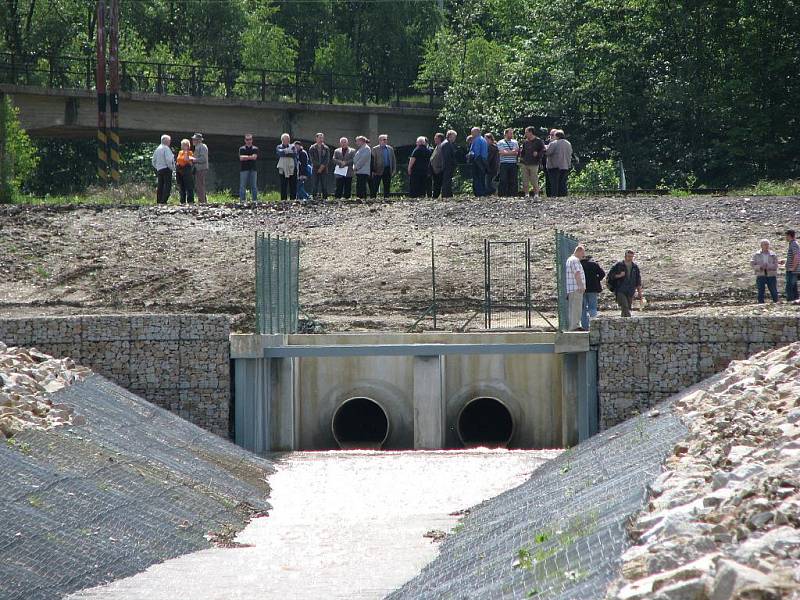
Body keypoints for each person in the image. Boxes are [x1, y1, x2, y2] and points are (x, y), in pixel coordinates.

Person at [606, 249, 643, 318]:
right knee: (625, 306)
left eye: (632, 256)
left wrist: (639, 292)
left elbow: (638, 281)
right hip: (620, 289)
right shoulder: (618, 265)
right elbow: (610, 276)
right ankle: (629, 321)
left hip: (630, 290)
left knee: (627, 308)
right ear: (625, 256)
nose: (630, 258)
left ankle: (623, 324)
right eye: (629, 256)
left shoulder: (635, 267)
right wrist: (619, 275)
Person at [580, 254, 605, 330]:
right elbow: (602, 274)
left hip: (582, 289)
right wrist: (597, 280)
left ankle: (585, 327)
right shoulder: (594, 264)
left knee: (583, 308)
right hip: (593, 289)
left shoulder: (579, 265)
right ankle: (594, 326)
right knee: (592, 307)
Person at [545, 129, 573, 197]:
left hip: (555, 166)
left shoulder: (554, 143)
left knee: (554, 183)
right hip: (565, 166)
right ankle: (563, 196)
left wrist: (546, 147)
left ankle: (555, 196)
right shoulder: (568, 143)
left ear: (557, 136)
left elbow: (547, 152)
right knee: (563, 183)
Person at [565, 245, 586, 331]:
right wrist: (581, 285)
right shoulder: (574, 260)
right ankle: (575, 326)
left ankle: (575, 325)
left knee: (574, 307)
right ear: (579, 251)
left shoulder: (570, 260)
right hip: (576, 288)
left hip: (572, 288)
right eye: (582, 254)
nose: (583, 256)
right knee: (576, 307)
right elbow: (577, 273)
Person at [751, 239, 779, 303]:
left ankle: (776, 302)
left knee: (773, 290)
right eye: (765, 244)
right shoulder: (756, 254)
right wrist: (760, 267)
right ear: (761, 246)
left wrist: (768, 266)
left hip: (771, 275)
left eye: (768, 244)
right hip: (760, 275)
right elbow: (752, 264)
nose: (767, 246)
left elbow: (776, 265)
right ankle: (760, 303)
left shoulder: (773, 254)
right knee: (761, 290)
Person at [520, 126, 545, 198]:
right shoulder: (525, 141)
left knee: (534, 180)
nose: (525, 134)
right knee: (525, 180)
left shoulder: (538, 141)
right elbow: (523, 151)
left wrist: (538, 154)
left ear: (531, 132)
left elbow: (543, 150)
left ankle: (536, 194)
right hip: (524, 163)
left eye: (526, 132)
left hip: (534, 163)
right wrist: (521, 158)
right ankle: (526, 194)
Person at [151, 134, 175, 204]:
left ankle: (159, 200)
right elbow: (169, 160)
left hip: (159, 169)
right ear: (166, 141)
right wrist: (172, 168)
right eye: (169, 141)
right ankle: (164, 200)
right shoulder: (166, 148)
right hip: (166, 169)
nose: (170, 142)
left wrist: (157, 167)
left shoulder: (157, 149)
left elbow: (153, 161)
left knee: (160, 185)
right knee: (167, 185)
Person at [496, 128, 519, 197]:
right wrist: (512, 152)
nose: (512, 135)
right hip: (504, 163)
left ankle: (513, 194)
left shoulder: (515, 142)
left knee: (513, 179)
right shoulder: (500, 142)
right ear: (505, 134)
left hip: (513, 163)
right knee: (503, 179)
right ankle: (502, 194)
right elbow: (502, 152)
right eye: (510, 133)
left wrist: (507, 152)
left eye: (512, 133)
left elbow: (516, 152)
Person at [275, 133, 297, 201]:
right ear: (282, 140)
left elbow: (294, 154)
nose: (287, 140)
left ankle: (293, 199)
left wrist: (285, 152)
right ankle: (283, 200)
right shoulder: (279, 146)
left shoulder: (293, 146)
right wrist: (287, 152)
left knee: (293, 185)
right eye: (286, 139)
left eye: (288, 139)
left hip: (292, 168)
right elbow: (280, 153)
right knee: (283, 185)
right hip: (283, 168)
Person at [309, 133, 330, 200]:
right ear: (316, 138)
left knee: (324, 185)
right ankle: (314, 198)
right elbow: (312, 159)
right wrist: (319, 166)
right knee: (315, 185)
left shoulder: (326, 148)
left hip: (324, 169)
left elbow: (327, 159)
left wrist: (322, 167)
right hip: (315, 169)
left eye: (322, 138)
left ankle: (325, 198)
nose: (321, 139)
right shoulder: (312, 148)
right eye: (319, 138)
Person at [239, 133, 259, 204]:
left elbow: (255, 157)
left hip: (253, 169)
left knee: (254, 186)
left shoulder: (255, 148)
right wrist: (250, 157)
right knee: (242, 186)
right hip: (244, 169)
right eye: (247, 140)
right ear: (245, 140)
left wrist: (246, 157)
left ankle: (255, 200)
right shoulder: (241, 148)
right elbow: (241, 158)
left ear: (252, 140)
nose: (248, 141)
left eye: (250, 139)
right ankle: (242, 201)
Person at [468, 127, 488, 197]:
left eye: (472, 132)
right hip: (484, 160)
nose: (471, 134)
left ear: (476, 132)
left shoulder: (477, 140)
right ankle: (482, 192)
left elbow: (476, 152)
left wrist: (470, 156)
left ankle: (478, 193)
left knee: (477, 177)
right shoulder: (484, 140)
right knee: (482, 177)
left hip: (477, 161)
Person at [175, 138, 195, 205]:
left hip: (187, 171)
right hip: (180, 171)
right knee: (181, 186)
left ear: (187, 146)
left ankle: (190, 201)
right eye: (182, 145)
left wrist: (186, 151)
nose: (182, 146)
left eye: (184, 145)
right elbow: (178, 160)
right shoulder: (180, 152)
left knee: (189, 186)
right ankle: (182, 201)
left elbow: (186, 159)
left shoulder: (190, 153)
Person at [191, 133, 209, 204]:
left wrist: (194, 160)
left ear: (198, 140)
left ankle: (202, 201)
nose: (192, 140)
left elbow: (203, 159)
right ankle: (203, 200)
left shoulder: (202, 147)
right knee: (200, 185)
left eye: (194, 139)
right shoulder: (199, 147)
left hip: (201, 168)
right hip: (199, 168)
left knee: (200, 185)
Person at [439, 130, 457, 198]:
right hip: (448, 165)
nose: (455, 138)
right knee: (447, 181)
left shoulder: (446, 143)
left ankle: (448, 194)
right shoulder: (447, 144)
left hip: (447, 165)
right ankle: (446, 195)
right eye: (454, 136)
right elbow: (447, 156)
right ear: (450, 136)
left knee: (447, 180)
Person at [353, 136, 372, 200]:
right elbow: (355, 159)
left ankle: (363, 198)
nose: (356, 143)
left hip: (363, 171)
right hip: (359, 171)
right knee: (359, 185)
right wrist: (354, 166)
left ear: (361, 141)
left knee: (362, 185)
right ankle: (359, 198)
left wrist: (356, 167)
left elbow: (363, 160)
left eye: (357, 141)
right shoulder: (361, 148)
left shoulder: (366, 148)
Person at [783, 229, 800, 302]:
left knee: (790, 286)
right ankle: (795, 300)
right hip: (792, 269)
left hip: (792, 270)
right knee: (793, 286)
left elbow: (797, 256)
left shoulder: (793, 244)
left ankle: (791, 300)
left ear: (789, 235)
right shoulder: (793, 244)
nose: (785, 238)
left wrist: (793, 267)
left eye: (786, 236)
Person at [429, 133, 445, 198]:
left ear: (439, 139)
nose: (434, 139)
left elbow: (441, 158)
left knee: (438, 183)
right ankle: (435, 195)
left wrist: (439, 167)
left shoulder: (441, 147)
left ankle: (436, 195)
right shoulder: (437, 146)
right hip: (434, 169)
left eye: (436, 138)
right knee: (435, 183)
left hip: (438, 169)